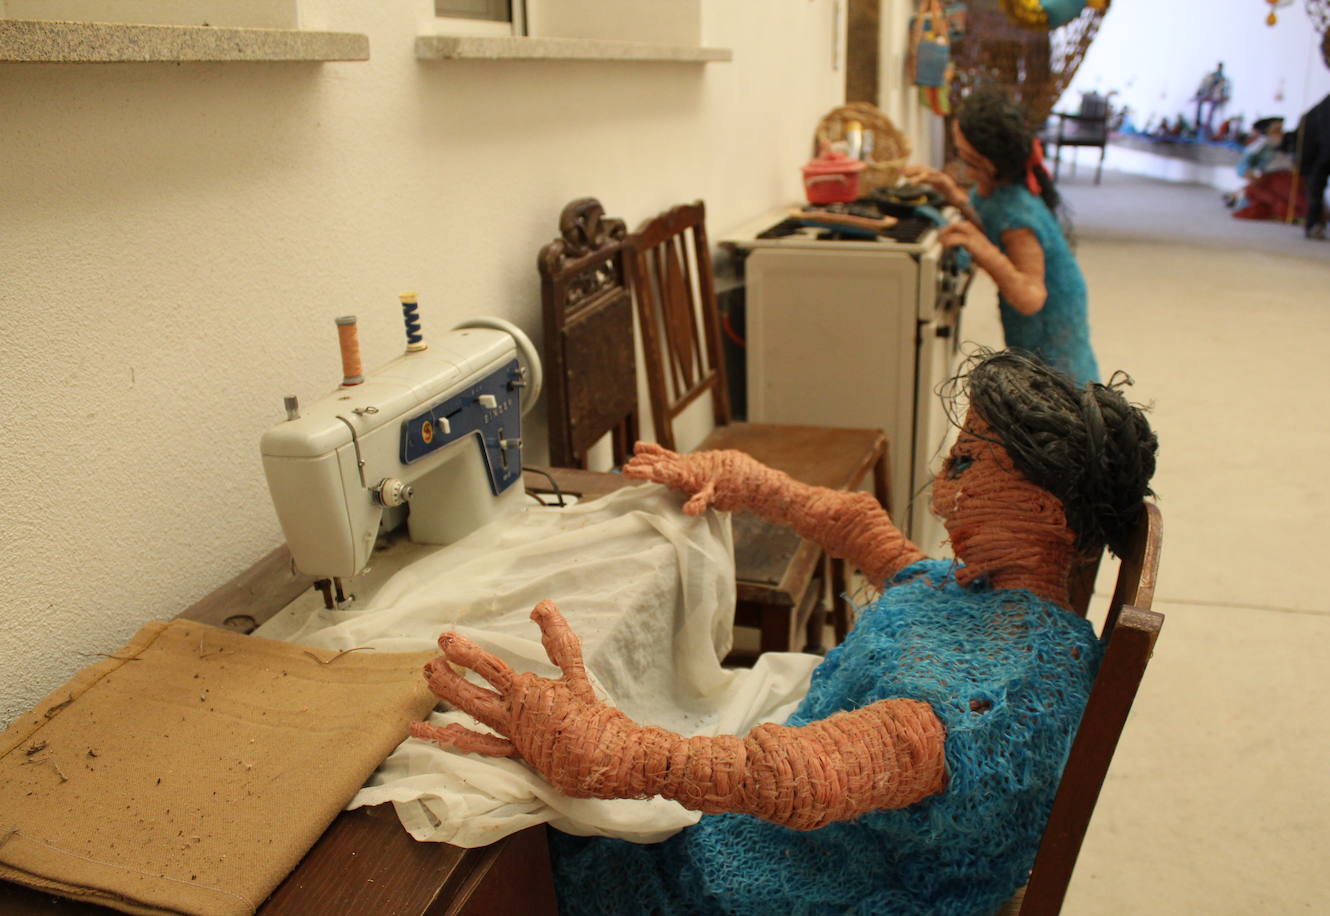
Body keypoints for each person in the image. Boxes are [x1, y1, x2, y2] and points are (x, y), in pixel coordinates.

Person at [410, 349, 1159, 915]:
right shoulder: (994, 597)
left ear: (1047, 516)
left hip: (827, 888)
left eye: (967, 461)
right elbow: (864, 531)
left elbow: (799, 777)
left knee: (504, 859)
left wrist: (622, 754)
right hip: (839, 834)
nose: (943, 478)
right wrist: (747, 480)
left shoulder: (989, 696)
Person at [904, 91, 1100, 385]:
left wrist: (982, 249)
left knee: (1058, 389)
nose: (961, 165)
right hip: (1038, 318)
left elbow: (1031, 297)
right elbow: (989, 224)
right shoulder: (994, 189)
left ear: (991, 162)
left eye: (967, 159)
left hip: (1051, 324)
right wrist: (953, 194)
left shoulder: (1018, 215)